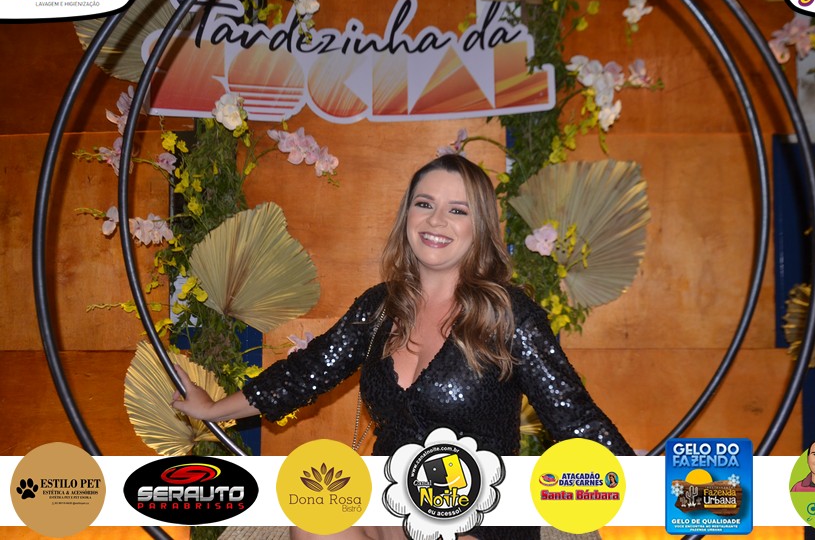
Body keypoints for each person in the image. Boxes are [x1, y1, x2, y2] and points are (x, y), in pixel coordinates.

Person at [172, 154, 634, 540]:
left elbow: (575, 417)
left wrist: (649, 488)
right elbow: (307, 372)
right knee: (315, 513)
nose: (436, 220)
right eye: (424, 204)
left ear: (480, 227)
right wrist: (213, 409)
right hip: (394, 503)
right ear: (407, 216)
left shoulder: (508, 314)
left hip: (479, 516)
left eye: (458, 210)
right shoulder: (379, 306)